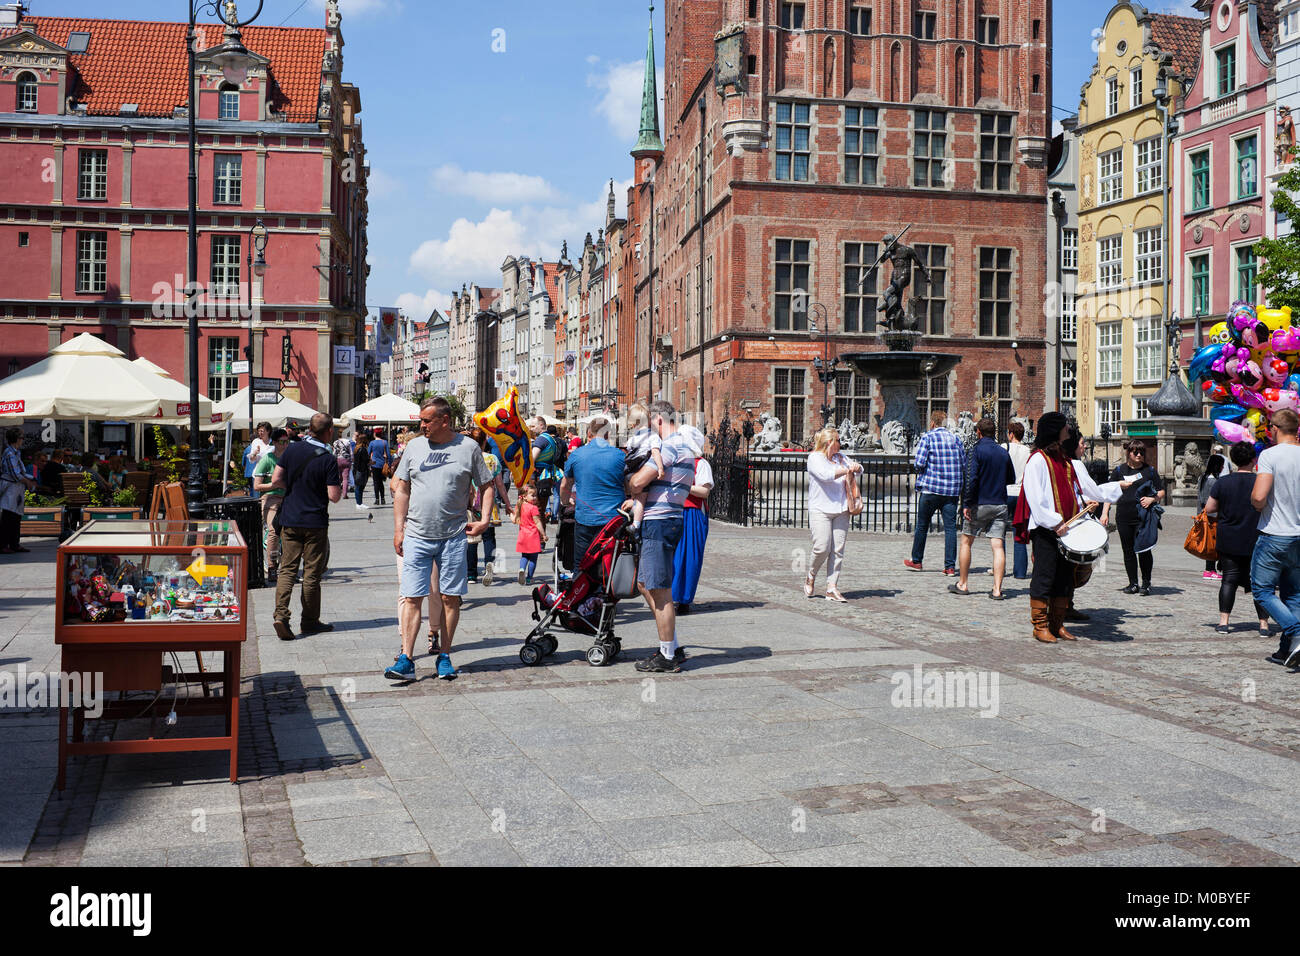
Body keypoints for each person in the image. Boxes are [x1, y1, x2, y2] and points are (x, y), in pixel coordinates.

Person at [386, 397, 494, 682]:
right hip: (417, 535)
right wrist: (399, 529)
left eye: (426, 421)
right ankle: (406, 658)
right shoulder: (414, 447)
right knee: (411, 597)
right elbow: (402, 489)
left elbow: (487, 484)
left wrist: (484, 520)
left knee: (449, 598)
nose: (421, 426)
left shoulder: (468, 447)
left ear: (444, 421)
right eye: (420, 420)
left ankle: (444, 655)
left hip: (453, 537)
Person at [1020, 412, 1126, 643]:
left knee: (1064, 578)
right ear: (1055, 431)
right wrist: (1054, 521)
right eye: (1065, 427)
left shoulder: (1064, 460)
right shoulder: (1038, 460)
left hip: (1069, 529)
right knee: (1044, 576)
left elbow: (1089, 490)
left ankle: (1057, 624)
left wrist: (1117, 487)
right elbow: (1035, 499)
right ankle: (1040, 625)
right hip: (1048, 529)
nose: (1068, 431)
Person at [626, 400, 695, 673]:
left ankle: (667, 656)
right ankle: (673, 645)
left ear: (657, 420)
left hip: (659, 522)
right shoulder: (686, 447)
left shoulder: (669, 446)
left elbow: (638, 481)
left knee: (660, 589)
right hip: (667, 517)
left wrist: (631, 484)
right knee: (645, 583)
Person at [270, 413, 342, 641]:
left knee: (287, 570)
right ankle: (309, 621)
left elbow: (276, 479)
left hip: (290, 518)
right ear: (329, 431)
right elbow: (334, 496)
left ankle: (281, 616)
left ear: (310, 429)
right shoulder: (328, 458)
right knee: (311, 574)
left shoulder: (291, 449)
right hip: (315, 522)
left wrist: (294, 487)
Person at [1251, 408, 1300, 667]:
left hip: (1275, 533)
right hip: (1299, 535)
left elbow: (1259, 497)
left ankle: (1296, 631)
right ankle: (1287, 650)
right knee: (1293, 594)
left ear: (1274, 428)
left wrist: (1255, 502)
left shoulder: (1269, 455)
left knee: (1262, 591)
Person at [1205, 441, 1269, 636]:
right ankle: (1264, 624)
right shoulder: (1260, 481)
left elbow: (1209, 509)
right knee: (1260, 583)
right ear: (1253, 459)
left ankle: (1224, 622)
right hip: (1255, 537)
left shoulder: (1223, 482)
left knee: (1229, 580)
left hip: (1229, 537)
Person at [951, 417, 1015, 599]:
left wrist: (966, 504)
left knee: (966, 542)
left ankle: (962, 584)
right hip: (1000, 504)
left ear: (978, 432)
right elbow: (1011, 477)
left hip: (979, 503)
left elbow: (971, 479)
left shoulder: (975, 450)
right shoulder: (1003, 452)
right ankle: (997, 589)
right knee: (997, 546)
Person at [560, 417, 628, 568]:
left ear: (589, 433)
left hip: (586, 517)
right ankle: (606, 589)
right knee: (610, 563)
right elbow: (628, 486)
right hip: (613, 519)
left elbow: (565, 485)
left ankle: (582, 589)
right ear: (608, 434)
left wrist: (565, 502)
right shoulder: (620, 456)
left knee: (582, 563)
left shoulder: (577, 455)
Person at [804, 427, 863, 603]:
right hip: (820, 509)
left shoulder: (841, 458)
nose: (840, 443)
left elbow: (860, 469)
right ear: (829, 442)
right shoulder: (814, 458)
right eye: (838, 440)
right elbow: (826, 475)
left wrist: (856, 466)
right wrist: (846, 470)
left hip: (841, 509)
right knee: (822, 547)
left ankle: (832, 587)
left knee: (838, 550)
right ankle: (811, 574)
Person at [1101, 440, 1166, 596]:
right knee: (1128, 551)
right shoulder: (1119, 470)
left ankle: (1146, 583)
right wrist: (1104, 513)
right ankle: (1133, 583)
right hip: (1124, 515)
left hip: (1143, 517)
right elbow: (1109, 493)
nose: (1138, 455)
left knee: (1144, 549)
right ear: (1128, 453)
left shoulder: (1149, 471)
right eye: (1135, 452)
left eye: (1141, 452)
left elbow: (1161, 491)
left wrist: (1152, 499)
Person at [904, 411, 965, 575]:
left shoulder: (928, 437)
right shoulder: (955, 439)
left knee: (922, 525)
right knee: (951, 529)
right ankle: (950, 566)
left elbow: (919, 463)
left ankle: (917, 560)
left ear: (932, 423)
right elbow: (963, 463)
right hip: (951, 491)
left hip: (931, 489)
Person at [672, 440, 715, 614]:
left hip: (693, 512)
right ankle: (671, 595)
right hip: (675, 511)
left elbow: (704, 491)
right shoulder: (675, 463)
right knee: (674, 557)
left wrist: (684, 486)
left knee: (689, 557)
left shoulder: (701, 464)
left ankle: (684, 599)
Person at [465, 426, 509, 585]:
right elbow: (500, 485)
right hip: (489, 503)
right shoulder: (492, 459)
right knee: (489, 536)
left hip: (471, 503)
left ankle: (470, 574)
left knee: (471, 538)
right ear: (485, 442)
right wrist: (508, 504)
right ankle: (488, 565)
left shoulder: (466, 457)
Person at [254, 428, 289, 580]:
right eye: (282, 442)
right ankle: (272, 566)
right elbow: (257, 486)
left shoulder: (290, 458)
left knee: (293, 531)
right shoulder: (267, 459)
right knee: (274, 530)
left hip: (288, 498)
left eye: (287, 441)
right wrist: (275, 485)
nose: (286, 444)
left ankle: (289, 566)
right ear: (274, 443)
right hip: (271, 498)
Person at [624, 402, 665, 529]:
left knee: (635, 497)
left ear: (633, 423)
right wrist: (660, 468)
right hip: (642, 470)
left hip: (630, 472)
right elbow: (655, 452)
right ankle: (636, 524)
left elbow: (628, 451)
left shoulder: (632, 438)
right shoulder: (653, 436)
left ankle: (631, 510)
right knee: (642, 499)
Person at [1, 428, 35, 554]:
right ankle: (4, 544)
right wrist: (28, 481)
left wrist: (30, 479)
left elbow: (21, 472)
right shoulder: (9, 454)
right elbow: (15, 474)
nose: (22, 440)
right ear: (15, 439)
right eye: (21, 437)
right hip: (11, 487)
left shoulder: (16, 453)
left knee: (16, 516)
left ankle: (14, 544)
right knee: (8, 516)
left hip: (16, 488)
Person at [1006, 422, 1032, 580]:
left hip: (1007, 490)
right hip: (1021, 493)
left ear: (1011, 434)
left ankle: (999, 567)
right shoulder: (1028, 451)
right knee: (1019, 533)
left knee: (999, 532)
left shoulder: (1005, 447)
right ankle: (1020, 571)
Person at [1198, 451, 1227, 580]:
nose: (1222, 468)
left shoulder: (1202, 478)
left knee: (1209, 542)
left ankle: (1210, 569)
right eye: (1221, 466)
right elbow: (1207, 500)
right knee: (1212, 543)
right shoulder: (1214, 481)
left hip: (1203, 515)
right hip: (1212, 516)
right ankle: (1210, 569)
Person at [514, 482, 546, 584]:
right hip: (533, 536)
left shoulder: (519, 506)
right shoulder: (533, 508)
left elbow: (514, 519)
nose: (535, 497)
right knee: (533, 558)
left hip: (523, 535)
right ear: (524, 496)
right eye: (532, 495)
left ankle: (522, 569)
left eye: (535, 495)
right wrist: (543, 534)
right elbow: (537, 522)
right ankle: (529, 578)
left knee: (524, 556)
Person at [244, 422, 271, 499]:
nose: (260, 433)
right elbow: (251, 460)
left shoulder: (273, 442)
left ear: (268, 431)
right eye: (259, 431)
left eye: (262, 431)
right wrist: (255, 453)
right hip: (258, 474)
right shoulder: (256, 442)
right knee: (257, 499)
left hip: (271, 475)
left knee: (270, 498)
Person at [368, 428, 390, 506]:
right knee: (381, 482)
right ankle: (383, 499)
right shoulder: (385, 442)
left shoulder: (372, 443)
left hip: (374, 465)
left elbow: (368, 453)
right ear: (381, 434)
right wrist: (389, 464)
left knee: (376, 482)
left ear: (374, 434)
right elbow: (388, 454)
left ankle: (377, 499)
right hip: (383, 465)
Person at [332, 430, 353, 498]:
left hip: (338, 460)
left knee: (338, 477)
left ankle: (337, 492)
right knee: (345, 478)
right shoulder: (347, 442)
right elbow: (351, 453)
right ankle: (344, 494)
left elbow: (334, 453)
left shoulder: (335, 442)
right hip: (346, 460)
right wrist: (352, 460)